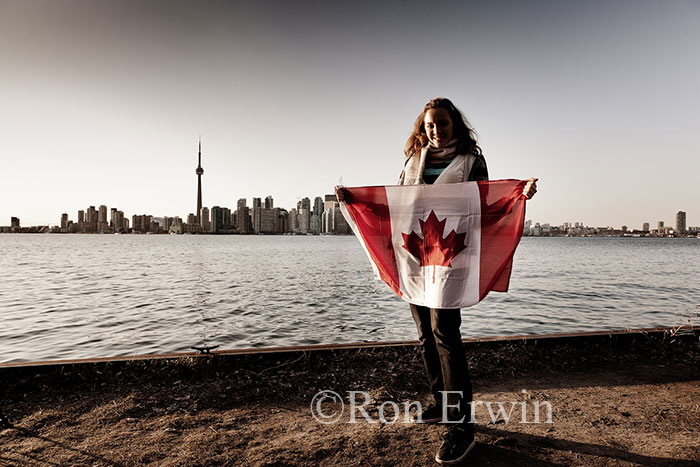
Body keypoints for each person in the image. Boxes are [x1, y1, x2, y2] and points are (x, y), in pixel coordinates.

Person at [338, 97, 536, 465]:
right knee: (424, 333)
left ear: (454, 125)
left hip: (452, 255)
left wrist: (518, 194)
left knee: (445, 332)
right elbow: (395, 205)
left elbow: (486, 203)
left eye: (442, 124)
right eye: (429, 125)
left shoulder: (471, 162)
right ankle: (440, 403)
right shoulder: (412, 163)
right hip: (415, 255)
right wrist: (353, 200)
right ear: (422, 127)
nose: (435, 131)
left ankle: (461, 426)